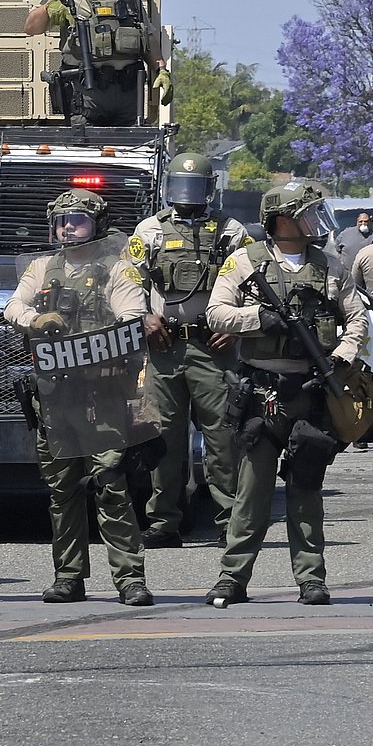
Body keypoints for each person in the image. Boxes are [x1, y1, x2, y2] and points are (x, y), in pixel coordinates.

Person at [205, 180, 364, 606]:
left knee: (306, 489)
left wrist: (343, 356)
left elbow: (356, 320)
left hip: (309, 392)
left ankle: (311, 578)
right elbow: (216, 312)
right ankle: (232, 577)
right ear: (281, 220)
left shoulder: (331, 266)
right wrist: (259, 319)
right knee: (251, 494)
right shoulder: (245, 261)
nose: (314, 221)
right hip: (261, 394)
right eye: (306, 213)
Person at [5, 189, 156, 607]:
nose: (67, 226)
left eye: (77, 219)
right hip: (55, 398)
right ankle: (68, 577)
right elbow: (13, 308)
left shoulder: (118, 269)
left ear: (98, 224)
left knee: (111, 484)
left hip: (102, 394)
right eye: (61, 220)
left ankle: (130, 579)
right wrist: (36, 318)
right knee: (62, 490)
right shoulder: (40, 267)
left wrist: (95, 342)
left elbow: (131, 317)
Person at [132, 151, 251, 546]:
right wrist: (143, 317)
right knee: (162, 436)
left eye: (195, 187)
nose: (187, 195)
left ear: (210, 189)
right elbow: (128, 282)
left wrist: (235, 328)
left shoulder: (230, 232)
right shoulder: (149, 229)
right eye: (181, 187)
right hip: (163, 345)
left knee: (223, 437)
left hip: (213, 346)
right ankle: (164, 522)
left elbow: (256, 284)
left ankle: (229, 520)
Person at [23, 0, 168, 125]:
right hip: (88, 95)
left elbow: (147, 34)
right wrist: (49, 9)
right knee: (86, 152)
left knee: (128, 152)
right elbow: (31, 28)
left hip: (128, 96)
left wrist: (161, 69)